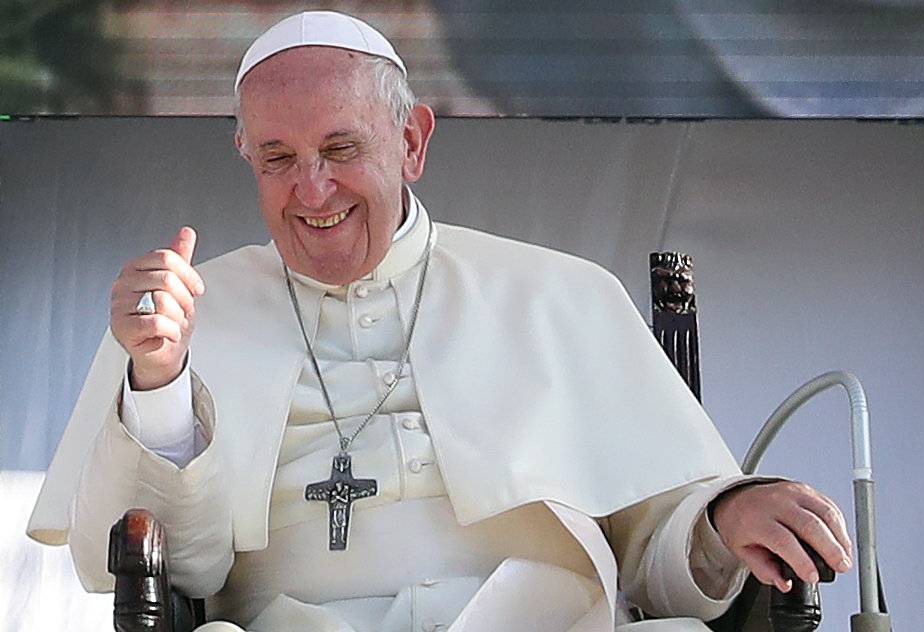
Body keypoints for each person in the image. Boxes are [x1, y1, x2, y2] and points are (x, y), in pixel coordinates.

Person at [27, 11, 853, 632]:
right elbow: (174, 568)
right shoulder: (184, 317)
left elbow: (658, 555)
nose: (311, 191)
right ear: (246, 154)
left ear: (412, 142)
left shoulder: (559, 294)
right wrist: (161, 386)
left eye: (341, 149)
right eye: (278, 158)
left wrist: (722, 519)